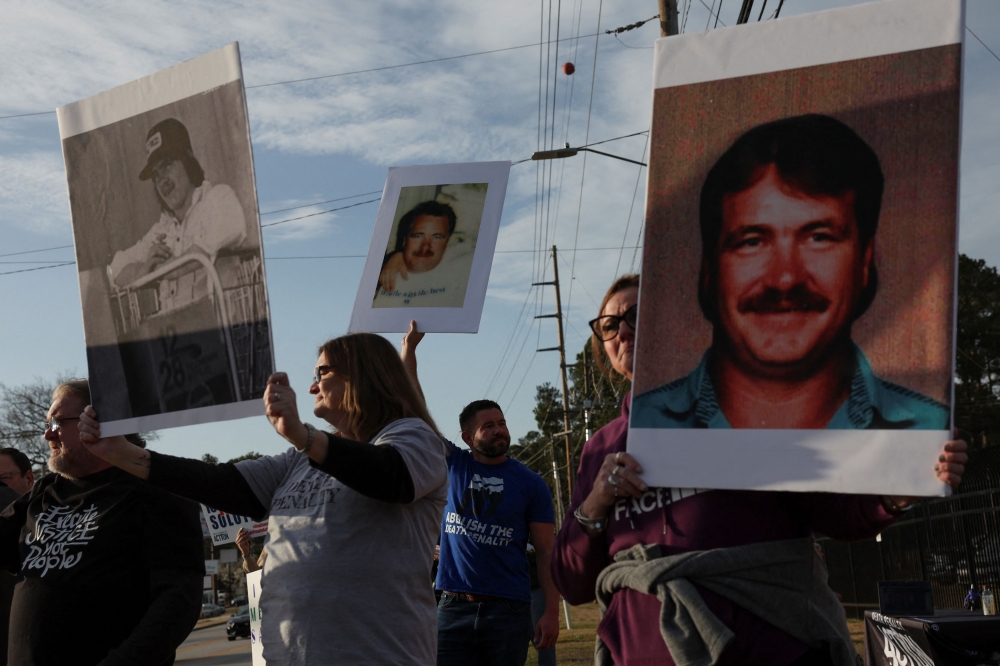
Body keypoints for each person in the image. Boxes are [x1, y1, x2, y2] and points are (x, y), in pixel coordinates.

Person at [552, 274, 968, 665]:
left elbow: (834, 508)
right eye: (609, 326)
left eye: (636, 315)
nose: (622, 332)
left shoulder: (752, 408)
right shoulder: (601, 448)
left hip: (769, 647)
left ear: (675, 325)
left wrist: (899, 490)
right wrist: (595, 503)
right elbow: (572, 584)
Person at [79, 333, 450, 665]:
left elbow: (391, 477)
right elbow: (221, 483)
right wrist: (121, 453)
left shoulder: (414, 437)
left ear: (362, 374)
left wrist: (305, 436)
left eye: (322, 373)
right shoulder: (298, 460)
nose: (311, 386)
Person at [631, 114, 949, 430]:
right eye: (752, 242)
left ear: (865, 261)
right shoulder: (643, 429)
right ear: (709, 269)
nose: (784, 278)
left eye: (819, 238)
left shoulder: (928, 432)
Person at [0, 379, 204, 665]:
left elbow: (178, 602)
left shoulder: (157, 488)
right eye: (47, 424)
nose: (48, 434)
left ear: (101, 423)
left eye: (58, 423)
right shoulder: (45, 490)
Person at [400, 326, 559, 666]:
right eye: (489, 426)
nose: (499, 430)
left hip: (509, 611)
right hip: (452, 607)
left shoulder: (531, 483)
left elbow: (547, 552)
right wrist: (409, 350)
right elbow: (413, 410)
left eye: (502, 423)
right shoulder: (452, 464)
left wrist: (551, 612)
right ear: (468, 437)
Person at [109, 117, 247, 290]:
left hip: (218, 308)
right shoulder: (161, 230)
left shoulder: (217, 198)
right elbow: (115, 270)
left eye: (167, 165)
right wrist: (144, 269)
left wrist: (156, 271)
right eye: (155, 175)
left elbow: (206, 249)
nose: (162, 180)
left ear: (187, 161)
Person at [374, 201, 475, 308]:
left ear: (447, 242)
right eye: (418, 236)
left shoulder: (460, 270)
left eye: (437, 237)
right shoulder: (381, 271)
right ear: (404, 240)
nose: (425, 246)